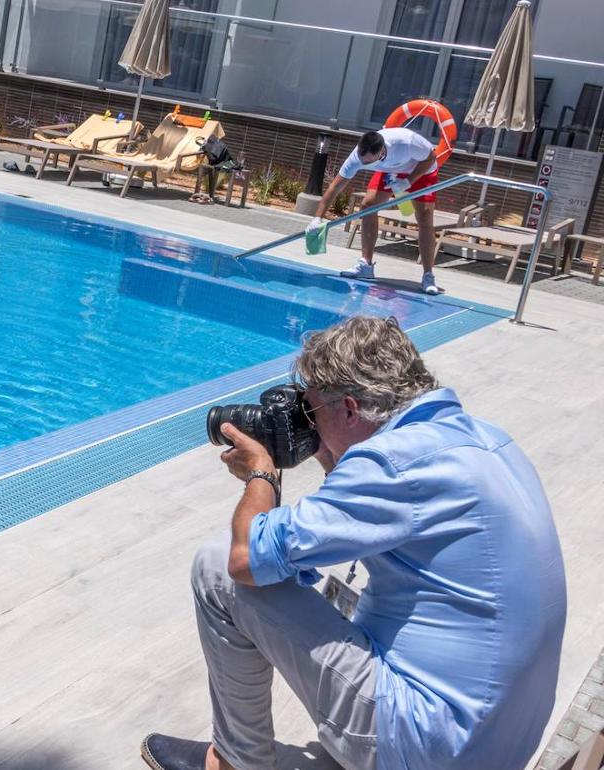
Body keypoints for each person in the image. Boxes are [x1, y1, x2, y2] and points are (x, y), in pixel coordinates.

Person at [141, 316, 565, 770]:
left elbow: (246, 558)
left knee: (216, 567)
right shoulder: (485, 438)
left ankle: (233, 761)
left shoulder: (394, 464)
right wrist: (333, 456)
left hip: (429, 749)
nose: (308, 425)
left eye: (311, 412)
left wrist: (261, 474)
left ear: (348, 408)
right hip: (496, 743)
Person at [311, 128, 444, 296]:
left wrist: (407, 182)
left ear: (381, 152)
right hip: (390, 171)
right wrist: (317, 218)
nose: (364, 164)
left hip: (421, 170)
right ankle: (366, 265)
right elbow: (335, 187)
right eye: (363, 161)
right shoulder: (357, 157)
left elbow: (431, 158)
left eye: (368, 163)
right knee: (368, 206)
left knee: (424, 217)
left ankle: (428, 275)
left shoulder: (407, 142)